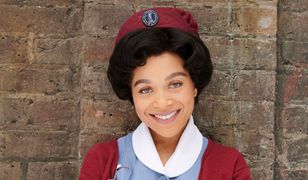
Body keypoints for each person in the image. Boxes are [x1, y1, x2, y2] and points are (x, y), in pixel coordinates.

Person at [79, 7, 251, 180]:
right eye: (145, 90)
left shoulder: (229, 166)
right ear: (131, 94)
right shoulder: (102, 161)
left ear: (195, 85)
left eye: (175, 84)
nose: (162, 103)